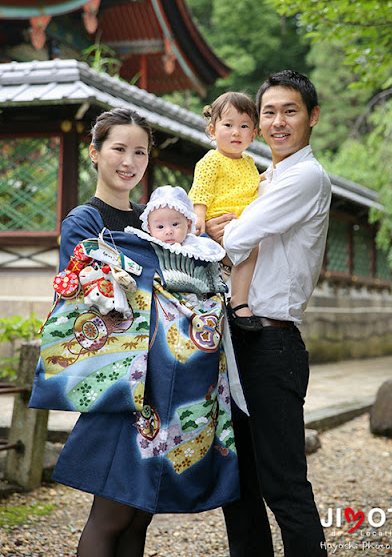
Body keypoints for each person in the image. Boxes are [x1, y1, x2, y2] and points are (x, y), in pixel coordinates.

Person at [30, 108, 240, 557]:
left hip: (164, 388)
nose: (129, 161)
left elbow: (196, 279)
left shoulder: (159, 221)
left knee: (140, 511)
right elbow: (90, 297)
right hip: (122, 386)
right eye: (118, 149)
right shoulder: (83, 223)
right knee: (111, 513)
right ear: (95, 152)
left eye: (140, 152)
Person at [207, 70, 331, 556]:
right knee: (238, 486)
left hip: (271, 341)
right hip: (235, 337)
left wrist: (227, 227)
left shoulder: (303, 176)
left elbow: (234, 240)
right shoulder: (267, 176)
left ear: (312, 116)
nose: (278, 122)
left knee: (283, 485)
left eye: (290, 111)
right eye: (269, 113)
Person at [188, 92, 262, 331]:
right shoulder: (212, 160)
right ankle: (239, 303)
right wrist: (199, 216)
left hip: (242, 223)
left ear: (254, 133)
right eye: (228, 125)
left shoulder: (249, 163)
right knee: (251, 249)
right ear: (212, 130)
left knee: (251, 249)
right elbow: (201, 190)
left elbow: (251, 187)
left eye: (244, 126)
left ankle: (231, 291)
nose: (236, 132)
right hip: (221, 223)